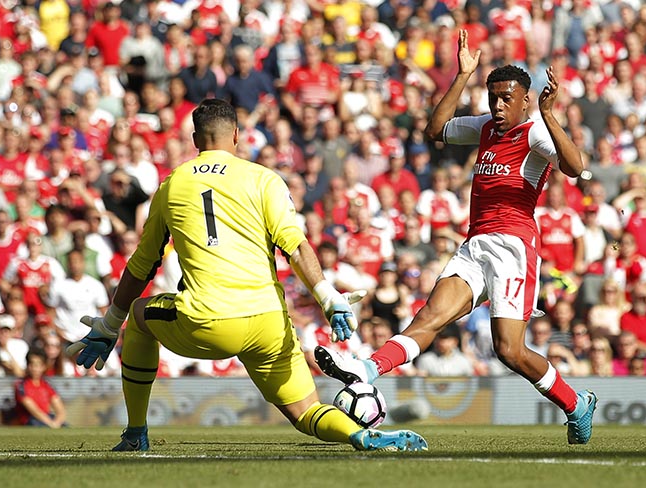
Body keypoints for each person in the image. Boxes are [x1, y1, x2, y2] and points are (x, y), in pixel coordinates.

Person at [66, 99, 426, 452]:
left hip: (207, 322)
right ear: (237, 135)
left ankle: (135, 432)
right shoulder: (264, 179)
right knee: (305, 412)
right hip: (268, 322)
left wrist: (110, 323)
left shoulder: (172, 184)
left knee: (138, 317)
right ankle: (358, 435)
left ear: (194, 140)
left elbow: (142, 265)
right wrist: (327, 297)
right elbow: (296, 247)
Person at [315, 31, 598, 445]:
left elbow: (575, 168)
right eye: (493, 97)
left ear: (525, 100)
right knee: (430, 317)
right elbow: (436, 129)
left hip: (513, 248)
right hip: (475, 244)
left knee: (509, 351)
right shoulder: (485, 127)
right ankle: (367, 368)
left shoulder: (535, 133)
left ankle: (575, 403)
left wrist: (549, 114)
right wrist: (463, 75)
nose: (498, 106)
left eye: (507, 98)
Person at [13, 349, 67, 427]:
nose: (35, 369)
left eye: (38, 365)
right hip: (30, 420)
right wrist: (51, 424)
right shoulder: (21, 385)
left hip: (47, 417)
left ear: (44, 367)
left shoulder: (47, 385)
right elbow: (33, 410)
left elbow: (60, 409)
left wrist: (57, 422)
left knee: (66, 426)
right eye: (32, 364)